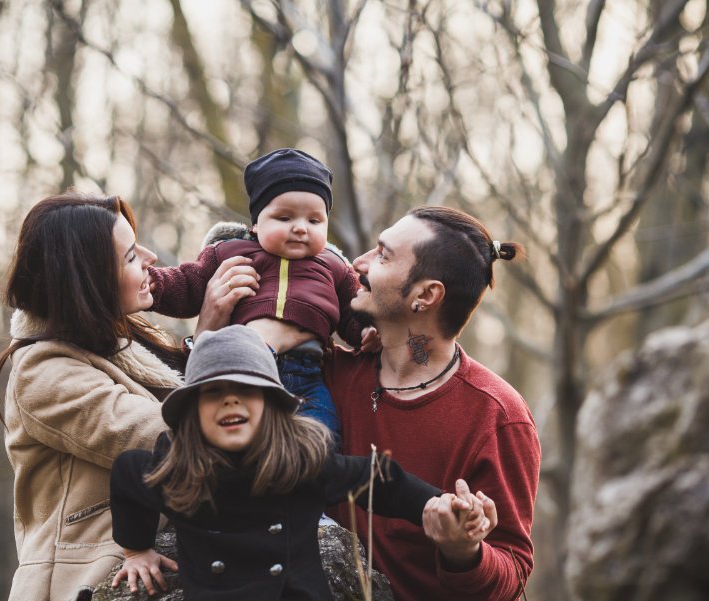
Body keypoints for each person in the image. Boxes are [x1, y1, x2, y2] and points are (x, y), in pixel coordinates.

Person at [0, 191, 258, 601]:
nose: (150, 257)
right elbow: (165, 435)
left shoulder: (124, 339)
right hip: (84, 581)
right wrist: (208, 337)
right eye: (131, 256)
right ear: (87, 279)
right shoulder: (43, 374)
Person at [108, 325, 476, 600]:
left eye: (247, 390)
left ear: (272, 404)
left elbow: (381, 479)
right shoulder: (176, 467)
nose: (230, 402)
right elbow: (128, 473)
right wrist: (136, 549)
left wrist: (435, 502)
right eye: (213, 393)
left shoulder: (301, 463)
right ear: (191, 410)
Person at [323, 206, 541, 601]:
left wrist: (464, 550)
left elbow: (514, 572)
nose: (358, 263)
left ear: (425, 295)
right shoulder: (327, 373)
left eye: (383, 254)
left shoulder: (498, 417)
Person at [147, 148, 371, 447]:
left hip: (306, 375)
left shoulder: (335, 268)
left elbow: (352, 311)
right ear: (255, 223)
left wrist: (366, 332)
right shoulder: (230, 253)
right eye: (284, 217)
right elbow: (187, 284)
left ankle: (309, 486)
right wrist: (152, 282)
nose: (300, 227)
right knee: (248, 445)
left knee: (323, 436)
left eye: (315, 221)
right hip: (243, 368)